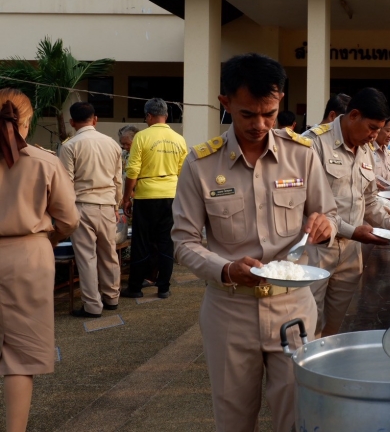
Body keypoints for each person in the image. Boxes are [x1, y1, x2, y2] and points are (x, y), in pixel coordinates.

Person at [172, 54, 337, 432]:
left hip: (293, 309)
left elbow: (327, 214)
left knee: (297, 417)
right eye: (248, 114)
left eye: (270, 114)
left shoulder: (301, 155)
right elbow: (183, 241)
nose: (260, 125)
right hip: (230, 311)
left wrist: (325, 225)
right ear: (225, 102)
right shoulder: (201, 164)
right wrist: (226, 269)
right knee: (233, 419)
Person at [305, 88, 390, 337]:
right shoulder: (314, 143)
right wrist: (353, 231)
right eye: (372, 128)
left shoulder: (366, 148)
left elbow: (369, 201)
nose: (375, 136)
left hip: (350, 253)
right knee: (308, 324)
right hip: (316, 250)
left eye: (379, 130)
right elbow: (306, 205)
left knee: (340, 326)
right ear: (354, 115)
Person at [0, 88, 79, 432]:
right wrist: (51, 239)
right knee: (20, 357)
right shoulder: (44, 161)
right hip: (28, 256)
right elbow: (69, 219)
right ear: (27, 121)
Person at [58, 102, 123, 318]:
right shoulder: (112, 144)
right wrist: (116, 205)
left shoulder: (69, 146)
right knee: (109, 254)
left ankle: (93, 305)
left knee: (86, 257)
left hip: (82, 205)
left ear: (72, 122)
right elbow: (118, 180)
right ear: (95, 120)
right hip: (107, 205)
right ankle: (112, 298)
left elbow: (66, 183)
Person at [121, 98, 187, 299]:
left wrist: (126, 198)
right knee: (166, 241)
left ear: (148, 116)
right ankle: (163, 287)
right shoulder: (179, 139)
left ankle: (135, 288)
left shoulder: (142, 137)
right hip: (171, 195)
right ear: (165, 115)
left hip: (146, 195)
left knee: (141, 242)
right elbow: (183, 172)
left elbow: (133, 170)